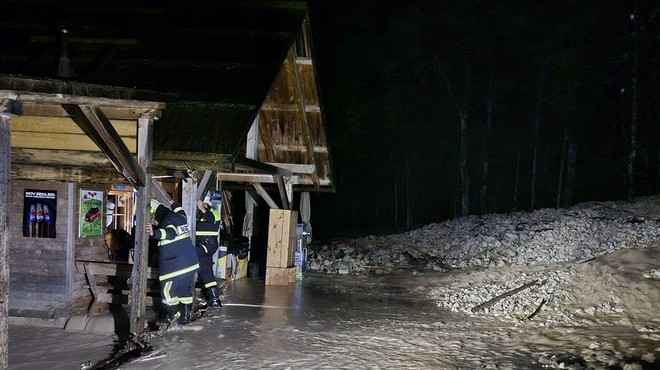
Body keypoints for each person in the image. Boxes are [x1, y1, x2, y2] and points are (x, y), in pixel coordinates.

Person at [146, 199, 199, 326]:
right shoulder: (180, 217)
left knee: (168, 292)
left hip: (175, 265)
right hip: (189, 264)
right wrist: (174, 203)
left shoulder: (167, 221)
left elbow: (170, 233)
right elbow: (182, 211)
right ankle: (185, 317)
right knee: (184, 291)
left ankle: (173, 315)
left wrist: (154, 232)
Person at [195, 199, 222, 309]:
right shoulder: (201, 217)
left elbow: (210, 218)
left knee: (188, 252)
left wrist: (202, 207)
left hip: (208, 245)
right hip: (202, 245)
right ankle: (214, 299)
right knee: (206, 271)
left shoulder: (215, 214)